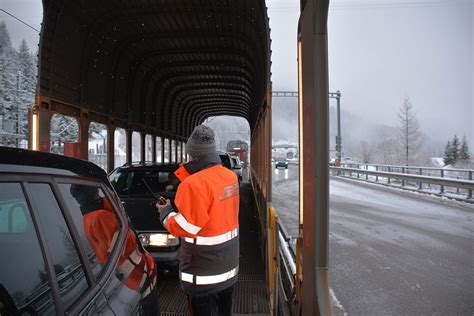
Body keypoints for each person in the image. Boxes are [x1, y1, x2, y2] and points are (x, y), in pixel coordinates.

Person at [156, 125, 240, 316]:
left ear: (192, 154)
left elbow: (186, 227)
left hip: (203, 272)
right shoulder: (230, 177)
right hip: (228, 266)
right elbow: (215, 210)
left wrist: (166, 212)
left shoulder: (192, 184)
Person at [70, 184, 159, 315]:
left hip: (126, 279)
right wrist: (124, 223)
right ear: (94, 191)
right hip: (136, 279)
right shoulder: (101, 216)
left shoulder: (88, 217)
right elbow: (123, 244)